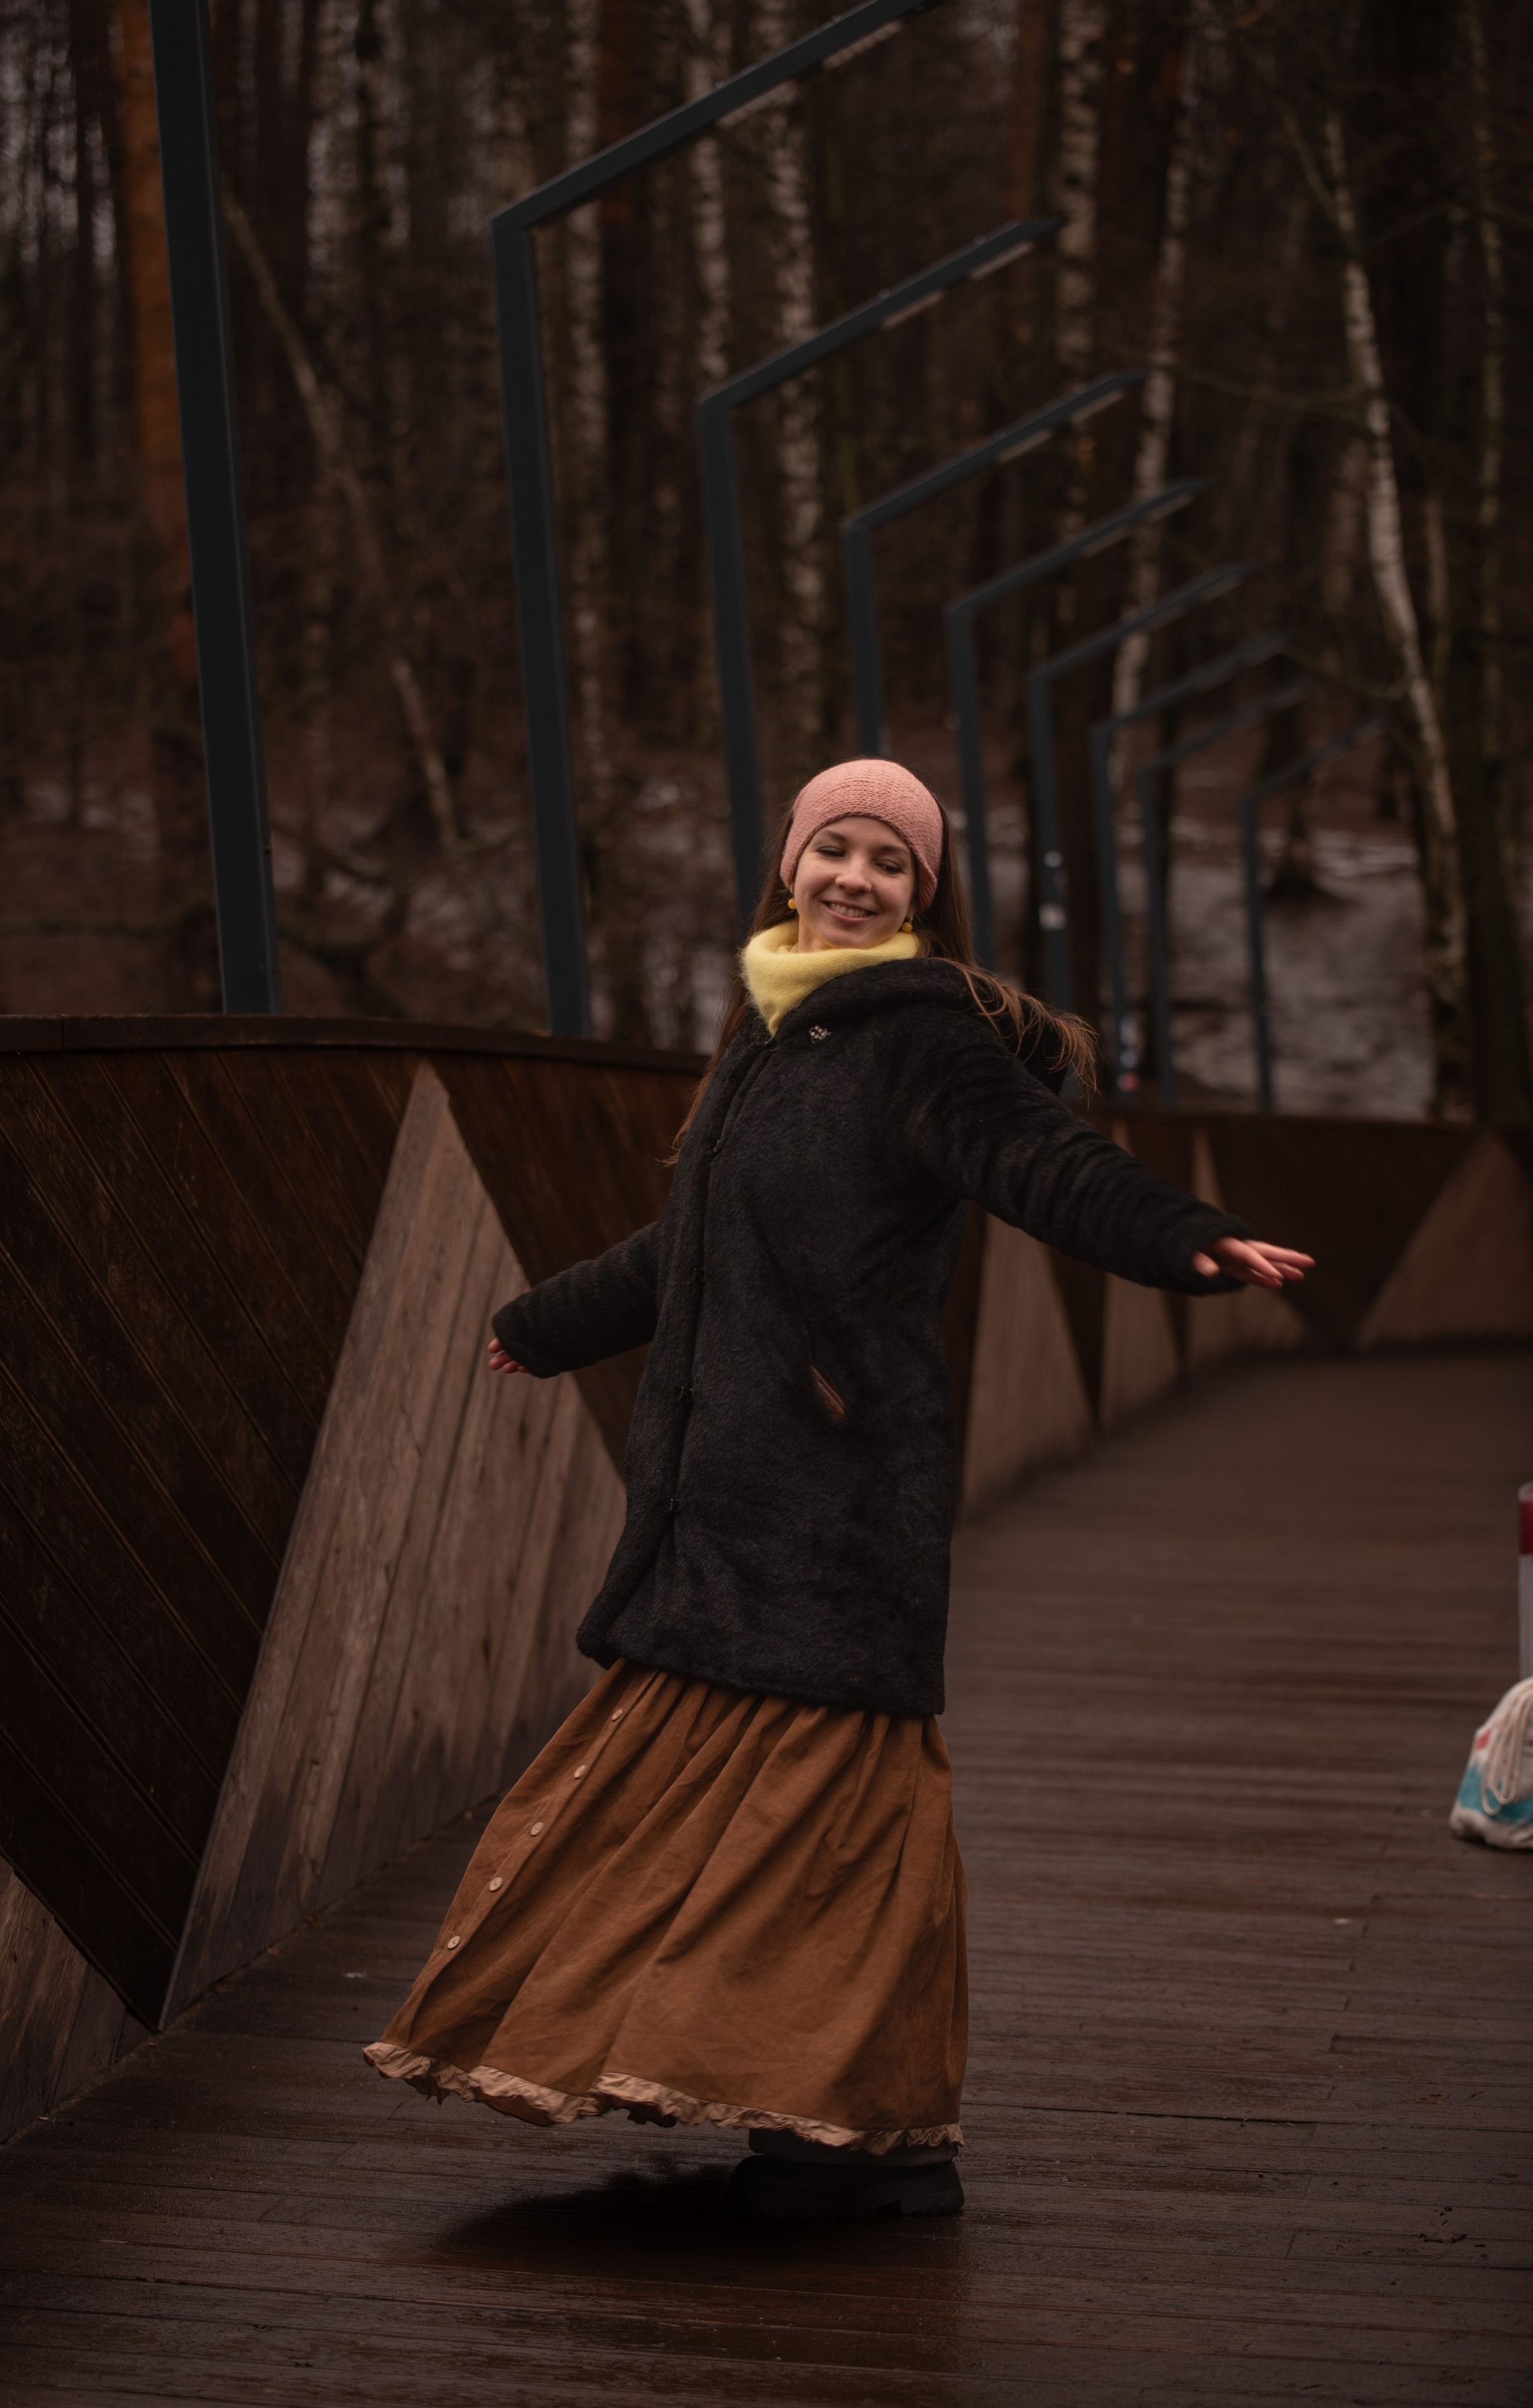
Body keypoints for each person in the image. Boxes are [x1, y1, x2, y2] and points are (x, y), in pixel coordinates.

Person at [364, 757, 1311, 2222]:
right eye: (835, 850)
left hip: (839, 1495)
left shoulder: (915, 1039)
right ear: (790, 865)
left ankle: (870, 2135)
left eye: (889, 861)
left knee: (830, 1815)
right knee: (706, 1800)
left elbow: (1043, 1161)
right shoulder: (768, 1029)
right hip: (725, 1497)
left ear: (918, 896)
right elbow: (686, 1244)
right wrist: (540, 1324)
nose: (855, 877)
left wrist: (1186, 1235)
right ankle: (776, 2103)